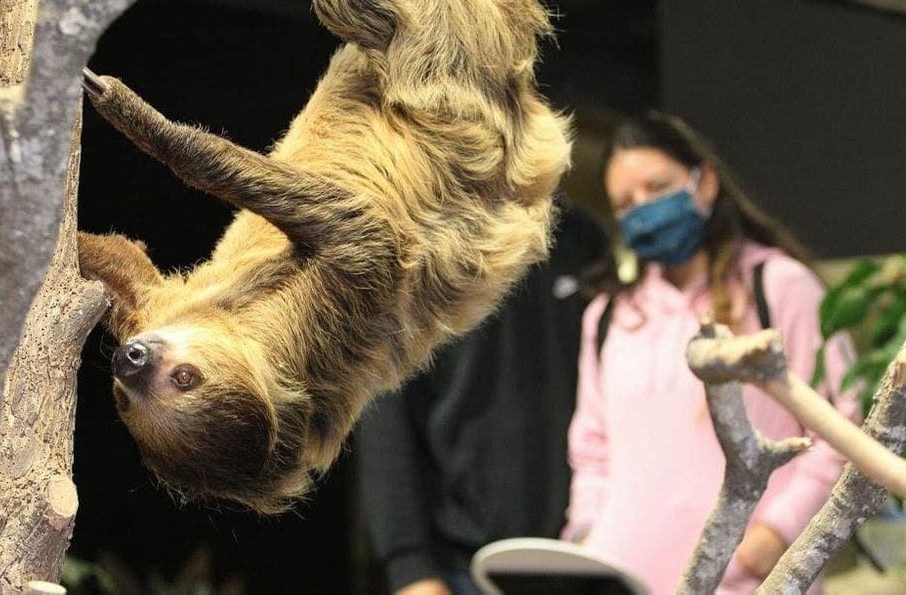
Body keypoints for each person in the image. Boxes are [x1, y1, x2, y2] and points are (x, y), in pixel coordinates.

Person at [563, 112, 859, 593]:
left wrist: (772, 536)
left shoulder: (779, 286)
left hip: (747, 583)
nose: (642, 209)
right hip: (628, 582)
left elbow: (844, 434)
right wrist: (584, 538)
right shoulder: (607, 316)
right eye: (624, 204)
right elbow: (592, 451)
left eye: (657, 187)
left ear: (705, 182)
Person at [358, 199, 608, 595]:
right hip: (463, 567)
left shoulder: (581, 238)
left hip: (584, 556)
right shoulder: (414, 246)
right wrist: (410, 567)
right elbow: (384, 416)